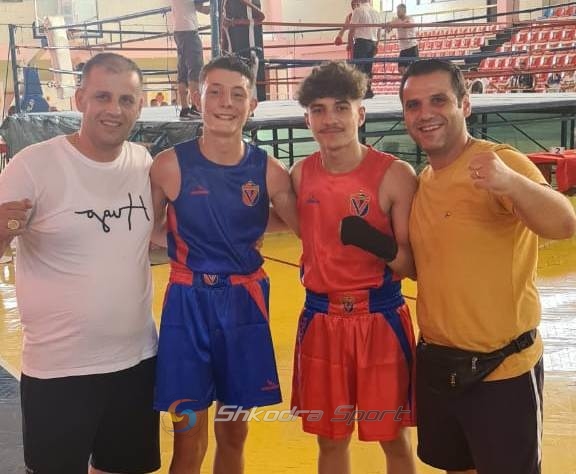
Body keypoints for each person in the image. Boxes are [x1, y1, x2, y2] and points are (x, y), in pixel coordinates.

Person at [399, 59, 576, 474]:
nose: (425, 113)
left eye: (438, 100)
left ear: (465, 105)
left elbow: (564, 224)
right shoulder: (424, 181)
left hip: (502, 370)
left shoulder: (499, 162)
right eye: (413, 105)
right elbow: (432, 269)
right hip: (439, 364)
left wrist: (512, 183)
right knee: (455, 468)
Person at [0, 52, 160, 473]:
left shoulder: (143, 163)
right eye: (102, 97)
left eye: (126, 100)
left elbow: (160, 236)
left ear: (139, 106)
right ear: (79, 100)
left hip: (136, 360)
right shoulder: (33, 165)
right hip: (59, 368)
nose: (114, 109)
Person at [151, 55, 299, 474]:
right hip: (187, 307)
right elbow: (145, 227)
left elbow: (305, 227)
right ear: (196, 98)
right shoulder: (168, 165)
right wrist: (194, 247)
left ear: (252, 103)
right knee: (187, 435)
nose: (225, 102)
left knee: (234, 433)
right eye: (214, 91)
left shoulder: (269, 171)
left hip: (244, 307)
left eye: (237, 93)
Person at [291, 61, 418, 474]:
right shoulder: (300, 175)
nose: (330, 119)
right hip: (322, 319)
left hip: (380, 318)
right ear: (307, 119)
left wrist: (374, 242)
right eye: (319, 110)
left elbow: (412, 265)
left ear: (360, 114)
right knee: (330, 441)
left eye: (341, 107)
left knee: (393, 438)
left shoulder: (395, 175)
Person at [170, 0, 210, 119]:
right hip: (189, 30)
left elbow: (198, 7)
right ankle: (195, 107)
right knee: (195, 69)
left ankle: (185, 108)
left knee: (183, 70)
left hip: (179, 30)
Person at [220, 0, 267, 101]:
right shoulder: (224, 6)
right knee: (238, 70)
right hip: (234, 42)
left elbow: (260, 17)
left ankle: (250, 98)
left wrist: (234, 22)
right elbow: (223, 26)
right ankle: (242, 98)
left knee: (249, 67)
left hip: (245, 41)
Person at [348, 0, 382, 99]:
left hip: (361, 42)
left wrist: (350, 44)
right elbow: (379, 31)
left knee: (358, 68)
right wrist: (376, 45)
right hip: (372, 43)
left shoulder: (358, 10)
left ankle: (359, 91)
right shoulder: (376, 12)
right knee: (368, 68)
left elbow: (352, 29)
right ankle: (368, 90)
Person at [385, 4, 419, 74]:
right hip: (403, 48)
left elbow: (406, 25)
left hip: (412, 47)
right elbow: (389, 27)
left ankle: (409, 78)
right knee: (400, 68)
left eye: (399, 11)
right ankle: (406, 78)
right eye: (397, 11)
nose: (397, 13)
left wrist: (395, 24)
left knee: (413, 68)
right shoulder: (396, 19)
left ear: (404, 11)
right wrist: (389, 26)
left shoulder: (410, 18)